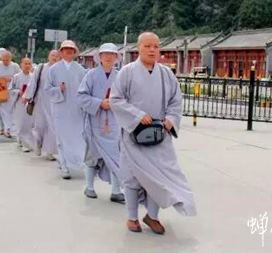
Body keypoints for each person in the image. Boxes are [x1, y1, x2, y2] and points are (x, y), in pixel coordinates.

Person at [110, 32, 197, 234]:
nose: (152, 50)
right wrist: (138, 114)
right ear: (138, 48)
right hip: (134, 135)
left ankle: (152, 216)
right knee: (133, 178)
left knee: (158, 178)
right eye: (147, 46)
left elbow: (175, 101)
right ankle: (132, 218)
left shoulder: (166, 73)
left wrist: (171, 119)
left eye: (156, 46)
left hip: (159, 136)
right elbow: (116, 100)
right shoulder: (127, 72)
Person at [77, 43, 125, 204]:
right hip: (94, 122)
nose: (109, 57)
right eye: (105, 54)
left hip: (114, 124)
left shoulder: (120, 76)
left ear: (116, 57)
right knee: (92, 155)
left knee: (116, 157)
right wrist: (99, 103)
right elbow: (81, 96)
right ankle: (89, 186)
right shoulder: (90, 75)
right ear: (100, 57)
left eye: (112, 54)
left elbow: (127, 98)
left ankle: (116, 191)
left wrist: (114, 104)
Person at [44, 40, 87, 179]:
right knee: (61, 138)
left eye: (71, 49)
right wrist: (59, 90)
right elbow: (47, 89)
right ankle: (64, 166)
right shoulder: (53, 69)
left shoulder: (81, 70)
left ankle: (78, 162)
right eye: (65, 49)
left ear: (75, 52)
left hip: (76, 110)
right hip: (60, 108)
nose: (68, 51)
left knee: (77, 137)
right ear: (61, 52)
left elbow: (86, 90)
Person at [23, 50, 60, 161]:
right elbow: (33, 82)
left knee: (52, 128)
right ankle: (38, 142)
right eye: (52, 55)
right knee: (40, 125)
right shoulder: (41, 67)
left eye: (57, 56)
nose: (54, 57)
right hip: (40, 101)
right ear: (48, 56)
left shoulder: (60, 70)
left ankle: (49, 152)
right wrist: (28, 96)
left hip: (54, 102)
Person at [0, 50, 21, 138]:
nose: (5, 62)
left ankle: (8, 129)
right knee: (3, 111)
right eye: (4, 60)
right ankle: (6, 129)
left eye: (7, 60)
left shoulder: (15, 66)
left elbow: (19, 76)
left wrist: (11, 79)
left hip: (12, 91)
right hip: (1, 90)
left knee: (11, 111)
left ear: (11, 59)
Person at [11, 57, 35, 152]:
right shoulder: (16, 77)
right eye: (25, 63)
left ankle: (26, 143)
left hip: (30, 103)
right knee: (21, 123)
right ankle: (21, 139)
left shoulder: (33, 77)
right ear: (21, 64)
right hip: (20, 102)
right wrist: (18, 92)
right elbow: (10, 89)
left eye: (29, 64)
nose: (27, 66)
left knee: (29, 124)